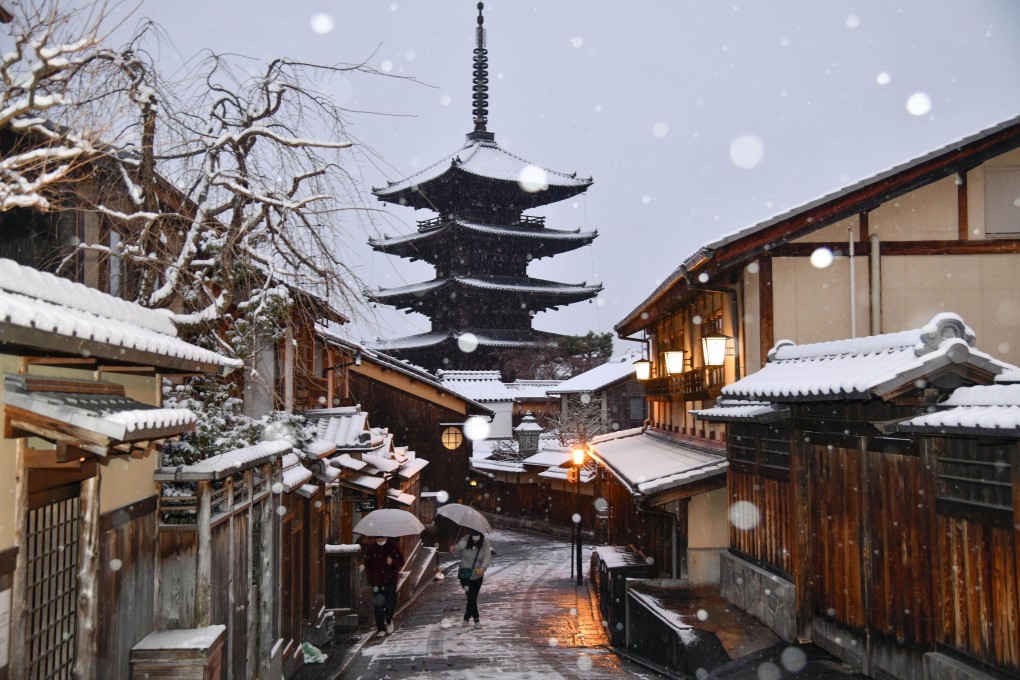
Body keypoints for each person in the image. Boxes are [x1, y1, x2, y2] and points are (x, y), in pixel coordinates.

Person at [362, 535, 405, 636]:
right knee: (379, 605)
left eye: (381, 538)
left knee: (390, 603)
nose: (379, 540)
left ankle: (389, 620)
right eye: (377, 538)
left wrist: (392, 562)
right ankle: (380, 628)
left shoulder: (393, 546)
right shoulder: (372, 548)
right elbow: (367, 565)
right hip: (377, 582)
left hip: (390, 580)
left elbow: (401, 561)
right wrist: (371, 579)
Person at [450, 532, 492, 628]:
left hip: (478, 576)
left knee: (471, 598)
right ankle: (476, 620)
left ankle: (466, 618)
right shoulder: (465, 539)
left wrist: (483, 568)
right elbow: (457, 552)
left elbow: (487, 557)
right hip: (465, 576)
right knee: (471, 597)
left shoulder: (485, 543)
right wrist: (453, 549)